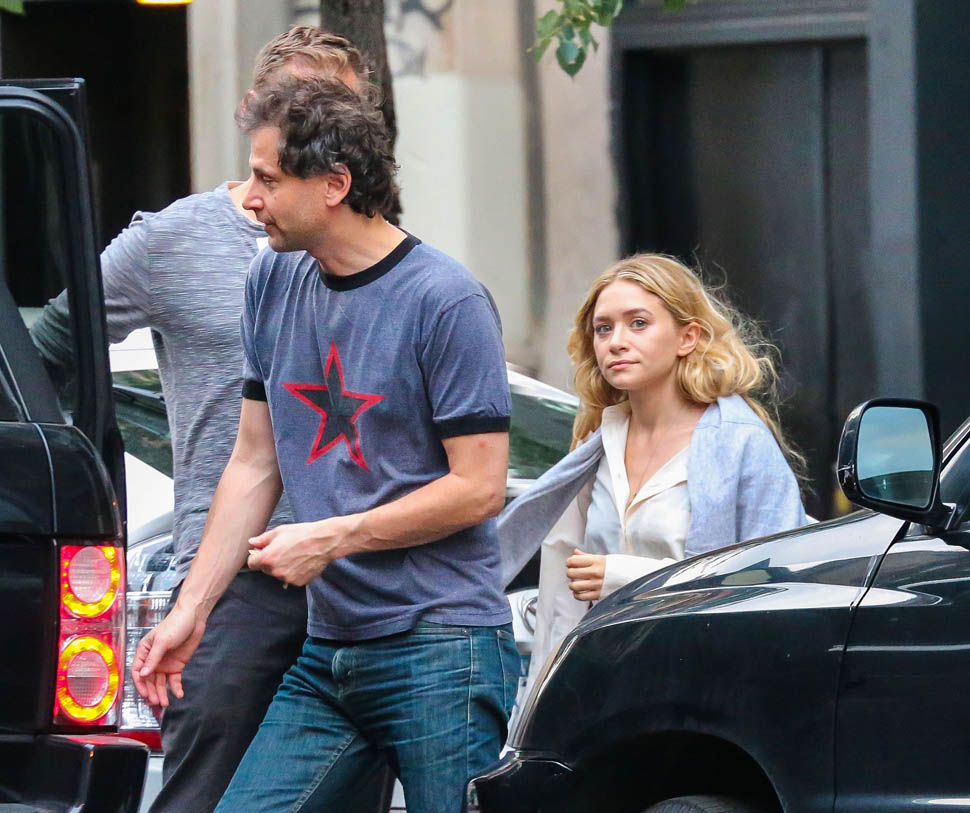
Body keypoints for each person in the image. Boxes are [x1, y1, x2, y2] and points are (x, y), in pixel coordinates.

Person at [132, 75, 519, 813]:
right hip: (330, 651)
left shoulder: (446, 299)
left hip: (442, 646)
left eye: (269, 179)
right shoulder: (271, 279)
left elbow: (479, 488)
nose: (250, 199)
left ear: (335, 184)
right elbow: (255, 461)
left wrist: (333, 537)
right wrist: (192, 609)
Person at [30, 28, 371, 813]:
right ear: (255, 110)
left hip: (360, 576)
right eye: (301, 106)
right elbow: (50, 348)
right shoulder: (172, 240)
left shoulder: (377, 253)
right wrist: (67, 470)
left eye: (339, 113)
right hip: (230, 578)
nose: (320, 128)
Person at [498, 254, 808, 684]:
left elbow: (774, 581)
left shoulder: (741, 442)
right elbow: (559, 596)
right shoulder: (597, 445)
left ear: (687, 337)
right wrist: (543, 694)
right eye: (603, 328)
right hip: (602, 685)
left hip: (705, 686)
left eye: (638, 323)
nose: (616, 342)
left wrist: (622, 577)